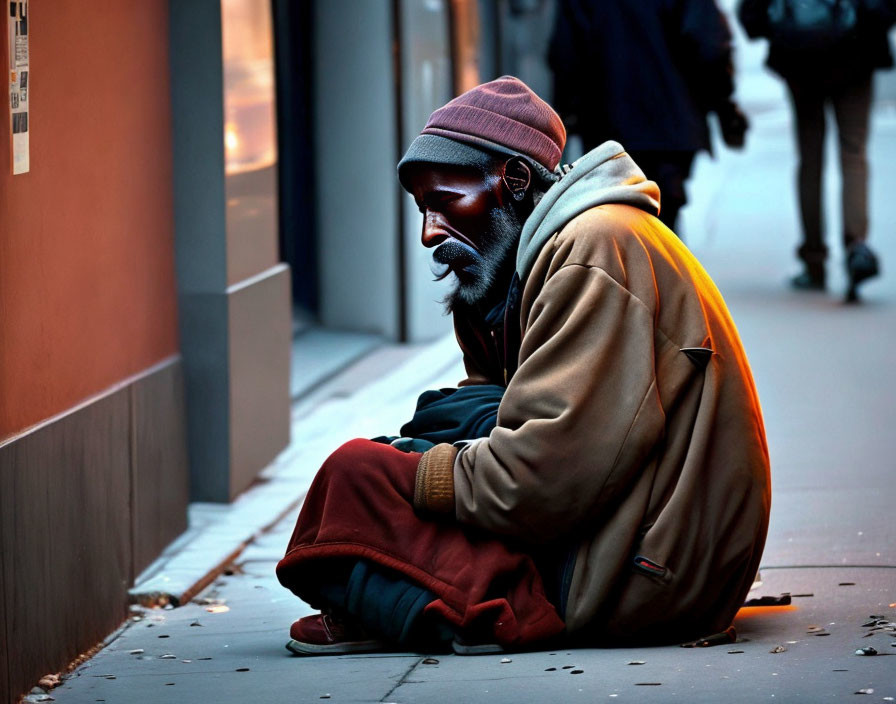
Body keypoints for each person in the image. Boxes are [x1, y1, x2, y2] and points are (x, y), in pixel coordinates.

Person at [277, 77, 771, 655]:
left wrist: (417, 477)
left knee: (358, 472)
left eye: (443, 202)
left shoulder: (596, 247)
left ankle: (460, 607)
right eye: (422, 209)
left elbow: (540, 482)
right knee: (441, 421)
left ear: (512, 182)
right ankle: (412, 600)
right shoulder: (518, 265)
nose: (429, 232)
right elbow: (497, 418)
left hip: (650, 576)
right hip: (642, 543)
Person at [738, 0, 896, 301]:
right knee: (853, 153)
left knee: (810, 160)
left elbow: (753, 16)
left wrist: (785, 29)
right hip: (856, 54)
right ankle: (856, 246)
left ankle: (814, 260)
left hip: (801, 59)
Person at [548, 0, 749, 233]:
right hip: (671, 127)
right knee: (662, 218)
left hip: (607, 128)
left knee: (616, 220)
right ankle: (661, 266)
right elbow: (708, 43)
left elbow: (566, 53)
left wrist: (567, 115)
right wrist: (724, 105)